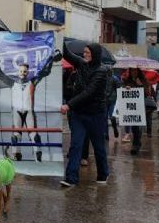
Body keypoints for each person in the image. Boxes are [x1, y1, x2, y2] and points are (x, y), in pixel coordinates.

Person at [60, 41, 109, 187]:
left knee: (99, 146)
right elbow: (67, 54)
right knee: (76, 145)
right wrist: (58, 38)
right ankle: (71, 178)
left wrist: (69, 104)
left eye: (88, 52)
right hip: (79, 114)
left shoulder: (102, 71)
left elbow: (89, 92)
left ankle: (102, 173)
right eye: (84, 52)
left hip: (96, 115)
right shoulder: (82, 63)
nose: (85, 54)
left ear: (95, 54)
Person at [121, 68, 153, 156]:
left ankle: (136, 144)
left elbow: (147, 93)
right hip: (132, 107)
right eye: (132, 71)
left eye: (135, 71)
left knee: (139, 127)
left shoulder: (144, 80)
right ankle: (136, 144)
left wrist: (140, 85)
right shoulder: (127, 81)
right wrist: (125, 88)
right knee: (135, 127)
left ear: (138, 72)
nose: (133, 72)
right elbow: (122, 91)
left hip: (141, 107)